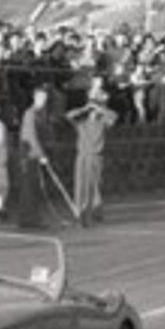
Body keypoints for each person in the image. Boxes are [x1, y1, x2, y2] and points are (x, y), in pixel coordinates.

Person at [66, 87, 118, 226]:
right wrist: (85, 108)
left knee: (94, 185)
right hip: (82, 156)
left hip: (96, 156)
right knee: (81, 185)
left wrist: (100, 109)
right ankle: (80, 213)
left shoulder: (102, 123)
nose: (93, 113)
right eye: (92, 110)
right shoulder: (81, 123)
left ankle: (95, 211)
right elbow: (69, 116)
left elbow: (113, 117)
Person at [16, 85, 51, 229]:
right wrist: (41, 155)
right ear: (35, 97)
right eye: (41, 97)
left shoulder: (41, 113)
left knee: (35, 187)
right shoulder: (30, 113)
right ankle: (28, 218)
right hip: (28, 155)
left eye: (45, 98)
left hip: (34, 155)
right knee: (28, 188)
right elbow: (31, 136)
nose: (43, 100)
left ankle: (32, 217)